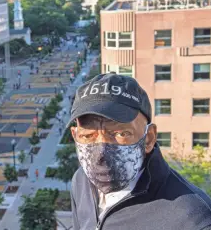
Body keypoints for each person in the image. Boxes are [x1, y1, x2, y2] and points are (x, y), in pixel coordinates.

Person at [68, 73, 211, 230]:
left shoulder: (193, 220)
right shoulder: (81, 181)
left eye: (120, 134)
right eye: (88, 135)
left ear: (149, 138)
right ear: (75, 136)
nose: (101, 153)